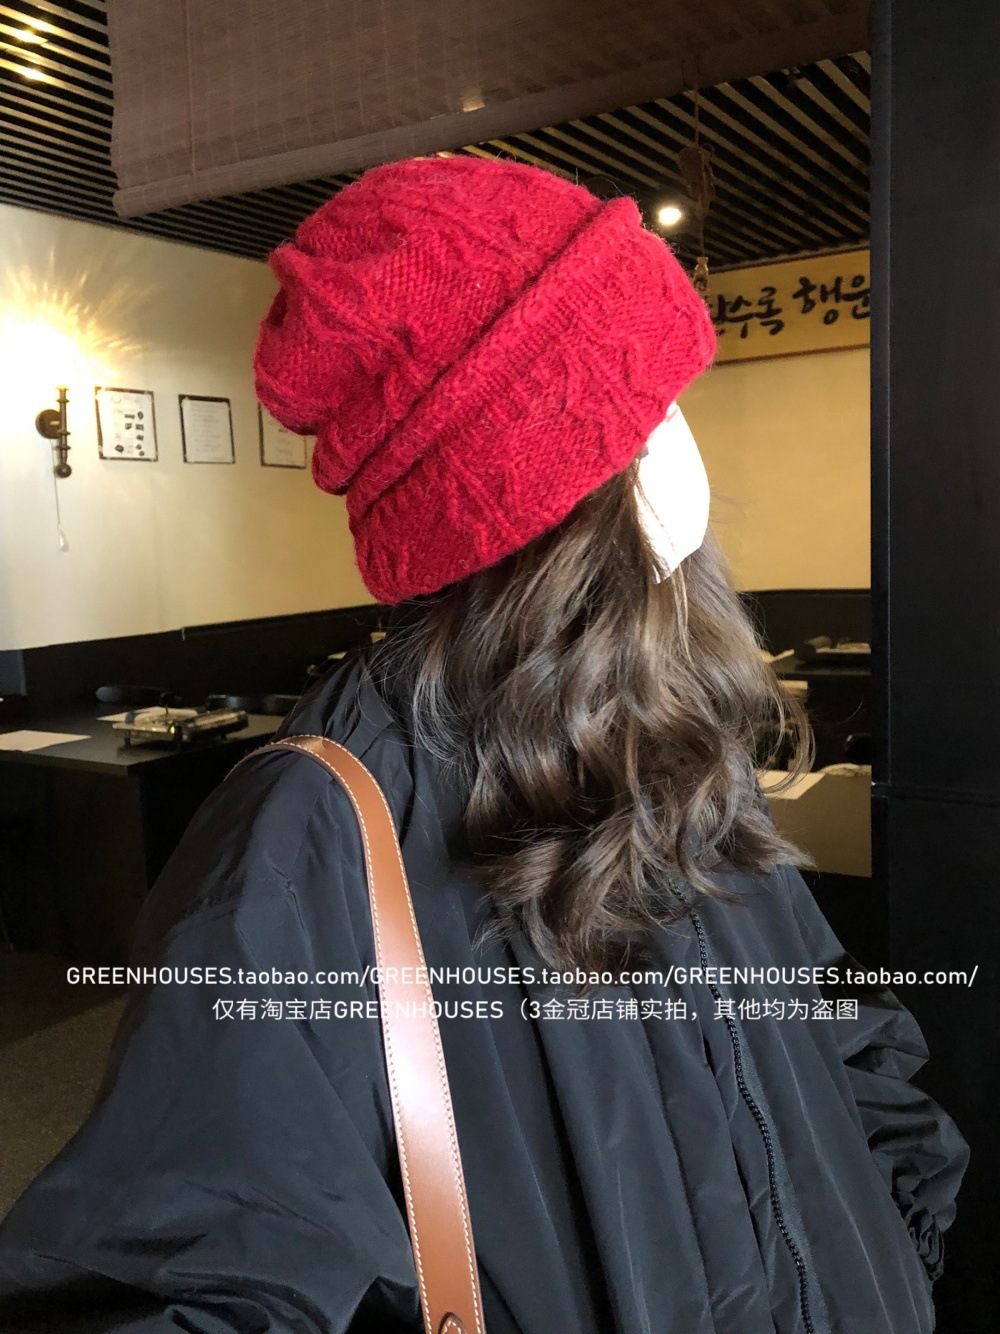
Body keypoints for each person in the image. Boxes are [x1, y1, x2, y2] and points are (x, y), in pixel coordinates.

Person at [0, 157, 967, 1334]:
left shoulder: (663, 735)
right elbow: (192, 1265)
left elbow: (835, 1034)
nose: (681, 439)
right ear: (556, 480)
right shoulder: (312, 828)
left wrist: (890, 1260)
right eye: (652, 409)